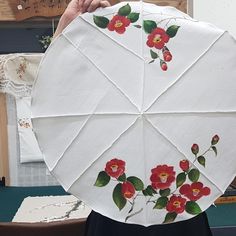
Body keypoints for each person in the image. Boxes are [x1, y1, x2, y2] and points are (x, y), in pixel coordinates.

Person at [54, 0, 213, 235]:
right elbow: (52, 96)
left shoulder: (191, 104)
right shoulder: (103, 108)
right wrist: (67, 25)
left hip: (181, 220)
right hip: (116, 220)